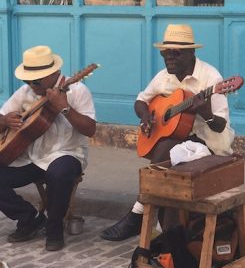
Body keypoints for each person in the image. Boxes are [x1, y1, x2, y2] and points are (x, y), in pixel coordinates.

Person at [100, 23, 235, 241]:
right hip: (180, 141)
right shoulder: (164, 76)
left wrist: (205, 111)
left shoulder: (212, 79)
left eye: (176, 53)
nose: (169, 58)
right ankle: (171, 239)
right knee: (166, 154)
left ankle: (139, 214)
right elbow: (140, 100)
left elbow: (219, 125)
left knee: (164, 152)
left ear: (192, 53)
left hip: (210, 143)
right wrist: (146, 116)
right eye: (165, 53)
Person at [0, 46, 97, 251]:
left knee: (59, 173)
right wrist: (5, 120)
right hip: (31, 156)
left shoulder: (78, 91)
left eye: (36, 81)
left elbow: (90, 129)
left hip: (67, 152)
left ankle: (54, 226)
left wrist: (64, 108)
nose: (31, 84)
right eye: (27, 80)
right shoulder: (25, 92)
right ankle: (28, 218)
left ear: (54, 74)